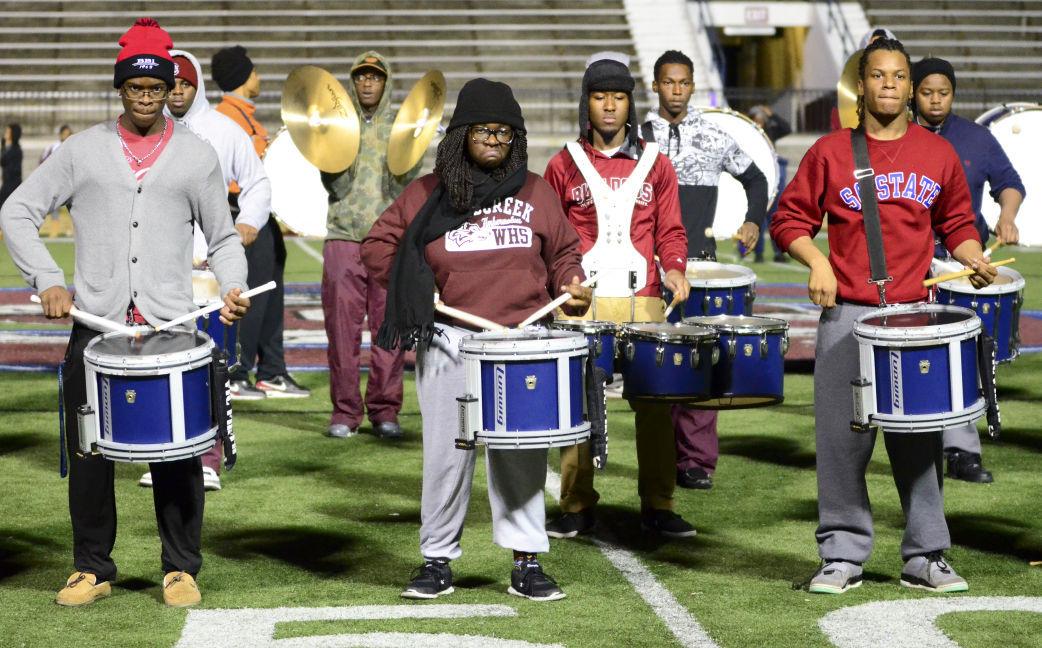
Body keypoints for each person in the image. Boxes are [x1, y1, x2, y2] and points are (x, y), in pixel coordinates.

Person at [0, 18, 250, 608]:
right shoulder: (82, 151)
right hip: (96, 326)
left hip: (170, 327)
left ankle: (180, 567)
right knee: (89, 450)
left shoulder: (196, 155)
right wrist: (48, 280)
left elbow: (222, 236)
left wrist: (233, 285)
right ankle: (92, 567)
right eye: (136, 89)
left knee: (180, 451)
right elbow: (17, 211)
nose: (146, 98)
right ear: (120, 90)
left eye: (157, 89)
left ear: (170, 91)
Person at [770, 38, 996, 594]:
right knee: (842, 443)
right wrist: (817, 260)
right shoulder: (829, 152)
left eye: (899, 77)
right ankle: (842, 555)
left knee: (919, 441)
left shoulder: (936, 154)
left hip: (913, 318)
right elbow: (787, 221)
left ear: (910, 87)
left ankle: (926, 556)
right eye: (879, 76)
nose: (889, 85)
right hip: (849, 315)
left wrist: (971, 256)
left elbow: (959, 221)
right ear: (862, 84)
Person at [361, 78, 591, 601]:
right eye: (485, 129)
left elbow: (562, 253)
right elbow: (378, 246)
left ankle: (527, 562)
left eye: (507, 132)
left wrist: (569, 283)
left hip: (521, 339)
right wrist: (416, 289)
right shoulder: (428, 192)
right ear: (462, 133)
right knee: (447, 453)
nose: (495, 139)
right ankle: (437, 559)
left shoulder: (535, 191)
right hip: (451, 339)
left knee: (521, 454)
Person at [543, 55, 696, 538]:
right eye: (599, 96)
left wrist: (674, 269)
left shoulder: (658, 164)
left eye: (618, 96)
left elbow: (671, 230)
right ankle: (576, 505)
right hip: (581, 305)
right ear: (586, 102)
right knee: (578, 408)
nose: (609, 106)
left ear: (630, 103)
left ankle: (659, 502)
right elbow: (550, 237)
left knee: (656, 406)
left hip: (645, 300)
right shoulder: (562, 163)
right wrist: (560, 281)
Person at [136, 49, 273, 492]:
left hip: (211, 270)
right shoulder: (148, 133)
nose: (176, 92)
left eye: (185, 85)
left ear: (197, 88)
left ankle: (209, 457)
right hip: (162, 271)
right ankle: (163, 450)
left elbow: (258, 183)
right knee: (162, 361)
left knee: (212, 364)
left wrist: (248, 222)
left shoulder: (224, 130)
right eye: (169, 84)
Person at [641, 49, 768, 492]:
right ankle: (657, 458)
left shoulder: (714, 136)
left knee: (700, 365)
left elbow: (757, 179)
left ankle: (695, 461)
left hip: (701, 267)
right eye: (668, 82)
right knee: (655, 369)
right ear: (654, 86)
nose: (676, 90)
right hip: (649, 269)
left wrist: (754, 219)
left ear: (692, 86)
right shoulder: (636, 137)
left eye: (684, 82)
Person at [912, 57, 1024, 485]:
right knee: (918, 356)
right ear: (913, 93)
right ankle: (915, 443)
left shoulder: (976, 138)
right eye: (927, 92)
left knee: (963, 356)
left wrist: (1007, 215)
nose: (936, 100)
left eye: (944, 92)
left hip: (962, 261)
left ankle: (962, 451)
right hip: (912, 262)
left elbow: (1009, 182)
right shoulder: (898, 138)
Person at [321, 51, 418, 440]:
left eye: (374, 77)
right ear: (352, 82)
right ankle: (345, 412)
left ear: (386, 82)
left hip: (388, 240)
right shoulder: (334, 126)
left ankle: (384, 410)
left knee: (389, 331)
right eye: (360, 77)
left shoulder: (402, 127)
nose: (366, 83)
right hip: (343, 237)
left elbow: (407, 181)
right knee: (341, 332)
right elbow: (332, 182)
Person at [211, 45, 309, 400]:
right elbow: (239, 177)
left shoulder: (246, 116)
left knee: (270, 295)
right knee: (249, 295)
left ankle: (272, 370)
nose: (259, 78)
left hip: (262, 215)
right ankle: (237, 372)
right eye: (253, 71)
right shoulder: (227, 118)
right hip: (242, 215)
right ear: (242, 76)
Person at [748, 105, 791, 263]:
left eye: (761, 121)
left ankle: (779, 253)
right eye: (756, 120)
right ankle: (758, 253)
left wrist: (772, 114)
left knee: (775, 217)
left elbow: (787, 128)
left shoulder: (770, 133)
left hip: (773, 178)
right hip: (758, 179)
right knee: (758, 218)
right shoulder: (748, 135)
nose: (759, 124)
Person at [1, 123, 22, 208]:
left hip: (12, 185)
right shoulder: (7, 148)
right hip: (6, 183)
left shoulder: (17, 150)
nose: (5, 133)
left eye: (8, 132)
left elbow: (14, 169)